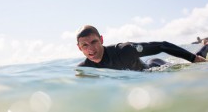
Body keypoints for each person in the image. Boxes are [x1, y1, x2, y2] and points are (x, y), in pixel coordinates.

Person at [76, 25, 207, 71]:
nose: (90, 49)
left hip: (155, 68)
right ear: (79, 48)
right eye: (85, 45)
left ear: (102, 40)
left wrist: (192, 58)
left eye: (94, 42)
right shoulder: (84, 68)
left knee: (192, 64)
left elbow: (162, 45)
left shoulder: (124, 51)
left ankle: (204, 48)